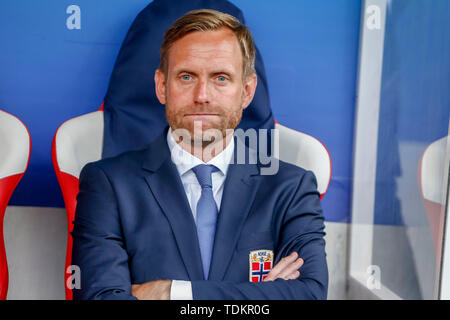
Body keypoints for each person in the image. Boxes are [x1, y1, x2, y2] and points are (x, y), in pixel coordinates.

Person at [71, 9, 328, 300]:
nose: (202, 94)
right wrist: (263, 295)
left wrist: (173, 292)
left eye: (220, 78)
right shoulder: (108, 184)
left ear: (246, 91)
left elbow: (308, 295)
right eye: (186, 76)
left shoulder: (290, 187)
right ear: (162, 86)